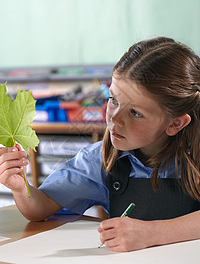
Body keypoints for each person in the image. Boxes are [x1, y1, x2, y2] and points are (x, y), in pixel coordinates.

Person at [0, 36, 200, 252]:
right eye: (114, 100)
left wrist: (152, 233)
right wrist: (20, 188)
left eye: (135, 113)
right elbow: (39, 209)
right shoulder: (100, 159)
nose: (114, 119)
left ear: (175, 123)